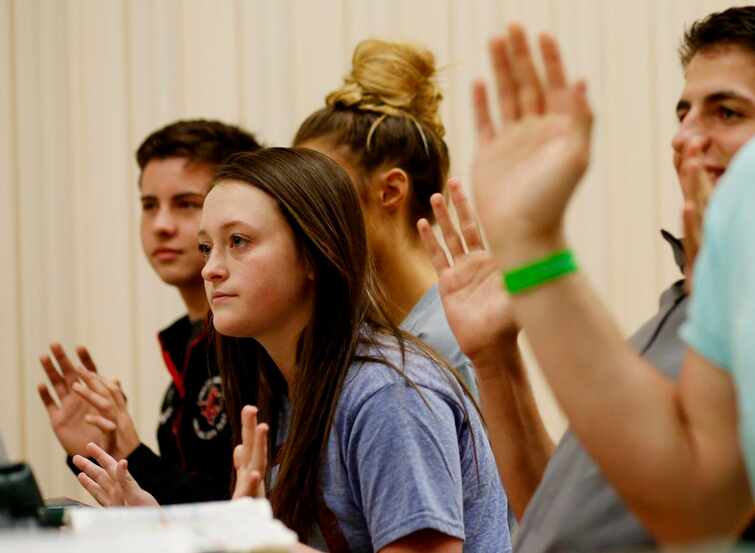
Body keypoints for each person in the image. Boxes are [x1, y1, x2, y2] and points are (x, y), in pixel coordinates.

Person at [418, 6, 755, 550]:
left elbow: (695, 511)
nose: (687, 138)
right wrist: (496, 360)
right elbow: (568, 521)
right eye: (684, 113)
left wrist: (537, 247)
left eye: (727, 113)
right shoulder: (687, 301)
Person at [72, 147, 511, 553]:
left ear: (313, 256)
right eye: (207, 248)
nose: (211, 268)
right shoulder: (277, 386)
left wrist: (264, 545)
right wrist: (160, 528)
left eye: (238, 242)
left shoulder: (387, 393)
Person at [36, 119, 261, 504]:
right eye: (149, 205)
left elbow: (229, 511)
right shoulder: (185, 341)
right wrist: (103, 453)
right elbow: (169, 508)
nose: (161, 225)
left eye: (186, 204)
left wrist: (132, 453)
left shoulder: (252, 339)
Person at [292, 39, 477, 395]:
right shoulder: (346, 329)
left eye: (320, 187)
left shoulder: (452, 339)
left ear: (390, 191)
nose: (301, 210)